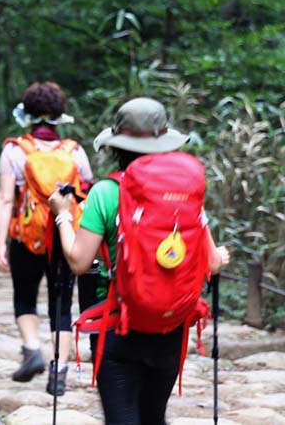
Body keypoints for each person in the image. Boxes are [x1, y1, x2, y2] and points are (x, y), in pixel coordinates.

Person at [48, 97, 230, 425]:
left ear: (117, 144)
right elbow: (213, 262)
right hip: (170, 325)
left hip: (117, 324)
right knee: (153, 418)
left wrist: (62, 216)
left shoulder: (104, 192)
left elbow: (78, 261)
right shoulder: (184, 193)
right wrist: (222, 257)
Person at [0, 82, 94, 394]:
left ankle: (32, 348)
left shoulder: (14, 150)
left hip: (26, 237)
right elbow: (87, 195)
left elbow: (5, 199)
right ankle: (60, 369)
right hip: (64, 236)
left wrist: (0, 244)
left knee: (25, 296)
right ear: (60, 114)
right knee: (61, 304)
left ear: (28, 113)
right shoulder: (74, 152)